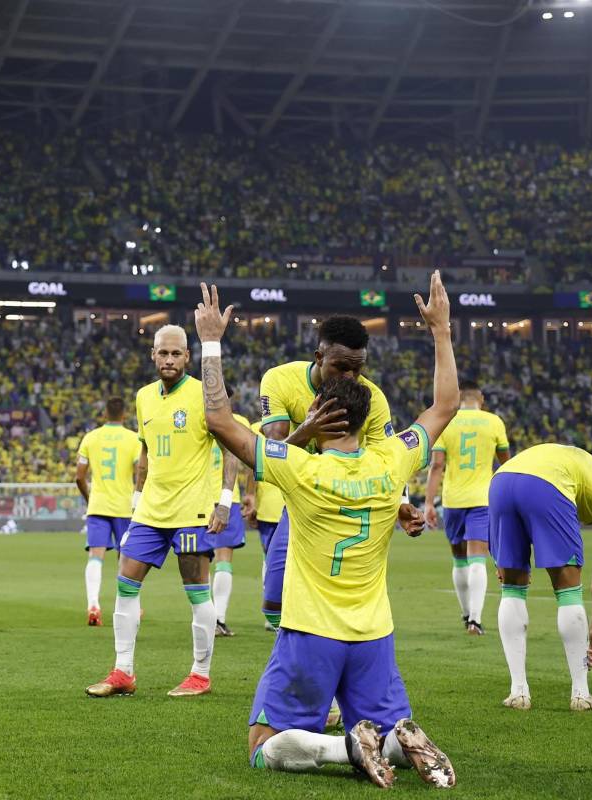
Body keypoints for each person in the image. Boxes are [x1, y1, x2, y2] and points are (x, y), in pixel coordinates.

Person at [196, 275, 459, 788]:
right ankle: (395, 744)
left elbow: (218, 419)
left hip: (311, 631)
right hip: (374, 635)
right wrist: (442, 331)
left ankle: (346, 748)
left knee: (261, 748)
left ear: (322, 414)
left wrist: (210, 340)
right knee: (383, 724)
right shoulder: (393, 458)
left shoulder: (301, 469)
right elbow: (444, 405)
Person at [85, 325, 228, 699]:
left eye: (176, 353)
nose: (169, 360)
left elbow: (232, 447)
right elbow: (145, 452)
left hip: (193, 509)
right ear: (153, 355)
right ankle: (123, 672)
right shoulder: (144, 397)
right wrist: (136, 499)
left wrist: (225, 500)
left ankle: (200, 674)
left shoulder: (203, 394)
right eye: (163, 353)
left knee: (196, 589)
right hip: (151, 509)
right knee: (125, 581)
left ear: (187, 357)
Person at [257, 315, 424, 631]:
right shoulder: (279, 380)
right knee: (273, 603)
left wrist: (401, 503)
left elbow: (388, 458)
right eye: (341, 367)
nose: (350, 377)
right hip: (302, 499)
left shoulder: (371, 398)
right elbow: (273, 450)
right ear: (319, 358)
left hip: (351, 502)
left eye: (358, 369)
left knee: (346, 604)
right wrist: (308, 430)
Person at [489, 443, 592, 712]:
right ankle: (581, 694)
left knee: (512, 588)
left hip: (501, 479)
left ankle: (518, 691)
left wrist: (501, 560)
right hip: (547, 484)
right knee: (568, 589)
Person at [422, 382, 510, 635]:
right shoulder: (494, 422)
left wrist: (429, 502)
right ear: (480, 398)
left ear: (459, 398)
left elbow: (437, 466)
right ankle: (475, 620)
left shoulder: (447, 422)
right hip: (483, 499)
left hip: (453, 500)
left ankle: (465, 614)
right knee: (477, 558)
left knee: (459, 559)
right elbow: (506, 464)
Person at [75, 396, 142, 626]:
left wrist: (89, 497)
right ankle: (131, 605)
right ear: (124, 415)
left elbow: (79, 476)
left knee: (95, 556)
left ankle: (93, 604)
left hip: (98, 505)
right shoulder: (133, 439)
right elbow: (140, 472)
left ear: (105, 414)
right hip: (125, 507)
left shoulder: (91, 438)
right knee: (127, 558)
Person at [246, 419, 287, 631]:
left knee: (270, 561)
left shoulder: (256, 429)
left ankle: (272, 611)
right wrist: (251, 496)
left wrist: (251, 495)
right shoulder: (299, 422)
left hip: (269, 507)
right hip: (284, 505)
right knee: (284, 562)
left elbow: (254, 467)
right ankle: (279, 612)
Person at [208, 413, 247, 636]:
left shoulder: (200, 416)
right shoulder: (239, 422)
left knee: (201, 559)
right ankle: (218, 620)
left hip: (200, 496)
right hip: (227, 497)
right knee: (224, 559)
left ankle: (205, 619)